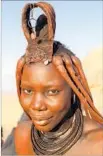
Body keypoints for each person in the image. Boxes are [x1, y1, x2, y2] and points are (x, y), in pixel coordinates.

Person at [2, 2, 103, 156]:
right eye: (28, 91)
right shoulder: (22, 135)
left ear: (73, 89)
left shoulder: (98, 144)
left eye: (52, 91)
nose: (37, 105)